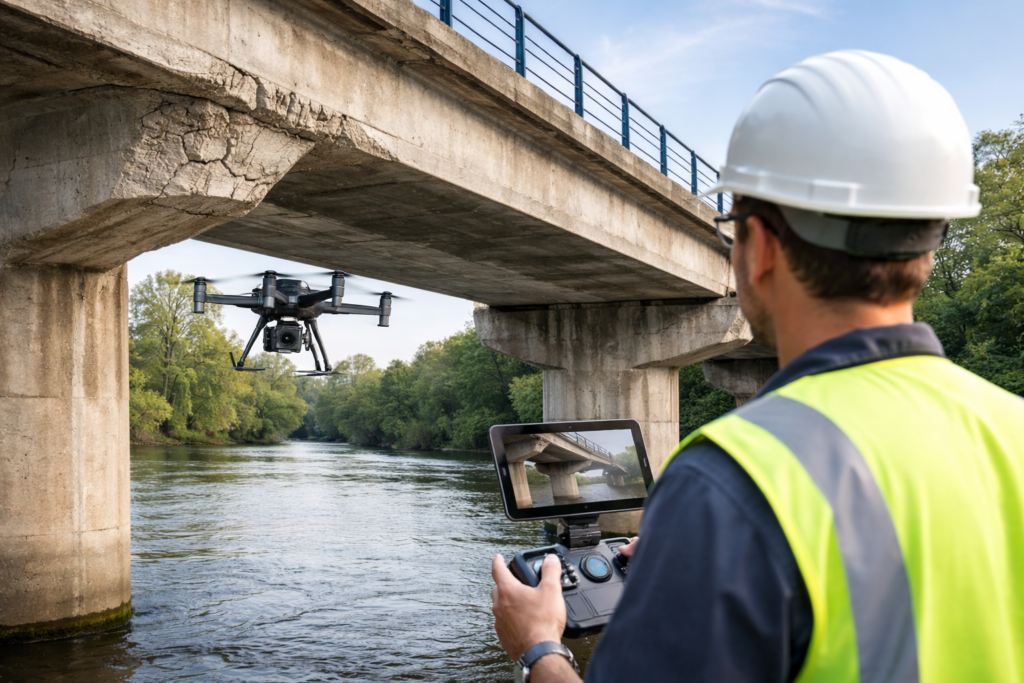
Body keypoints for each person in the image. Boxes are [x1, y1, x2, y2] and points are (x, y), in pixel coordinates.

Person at [489, 50, 1024, 683]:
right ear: (929, 247)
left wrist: (539, 648)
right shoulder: (1011, 426)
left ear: (761, 245)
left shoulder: (732, 478)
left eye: (732, 230)